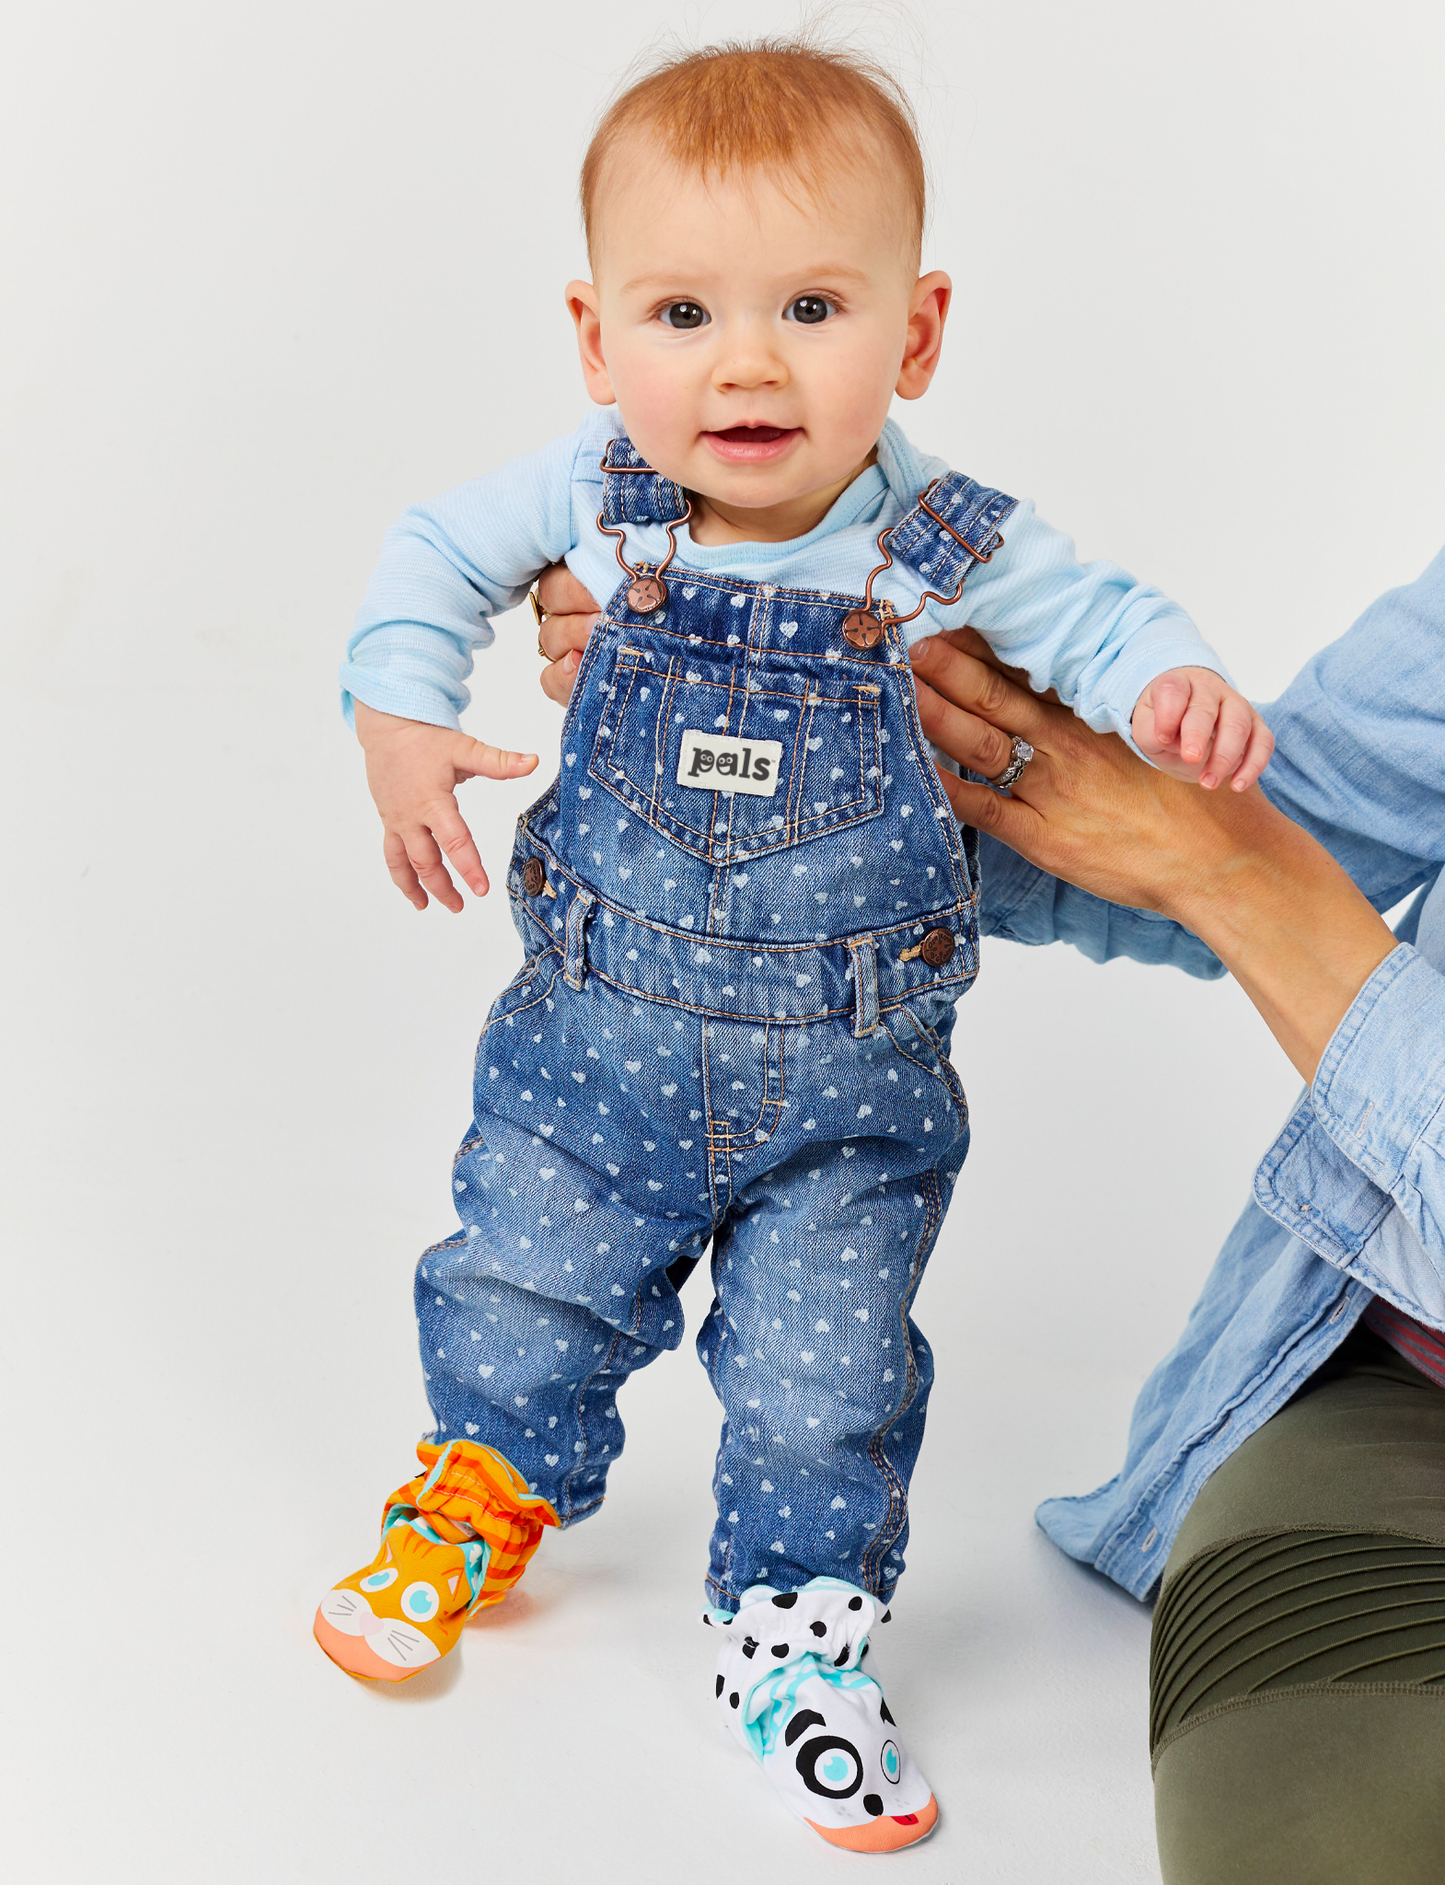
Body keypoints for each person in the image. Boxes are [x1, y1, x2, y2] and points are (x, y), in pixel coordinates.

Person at [317, 40, 1270, 1852]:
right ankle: (484, 1483)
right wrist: (395, 715)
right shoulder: (590, 498)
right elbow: (432, 554)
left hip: (850, 1099)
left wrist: (1176, 682)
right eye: (684, 310)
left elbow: (1106, 616)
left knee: (824, 1380)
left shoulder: (940, 542)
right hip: (590, 1054)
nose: (746, 362)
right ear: (598, 342)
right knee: (520, 1280)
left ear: (913, 337)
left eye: (811, 307)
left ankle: (799, 1630)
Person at [539, 550, 1445, 1880]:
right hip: (1398, 1411)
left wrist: (1237, 881)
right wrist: (824, 745)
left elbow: (1244, 873)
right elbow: (1266, 828)